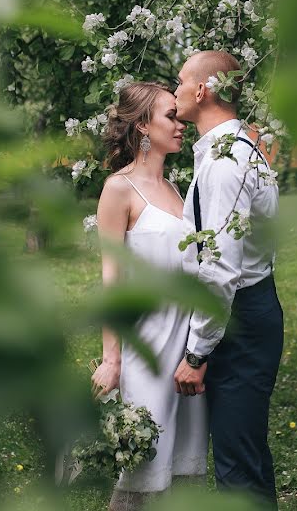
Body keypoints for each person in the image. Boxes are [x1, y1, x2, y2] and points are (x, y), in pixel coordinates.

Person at [89, 82, 208, 511]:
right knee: (143, 468)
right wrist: (112, 359)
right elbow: (111, 280)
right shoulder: (118, 190)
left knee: (183, 468)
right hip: (148, 349)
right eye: (171, 116)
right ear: (142, 125)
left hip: (186, 351)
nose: (181, 125)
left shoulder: (178, 189)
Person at [172, 51, 283, 508]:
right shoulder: (243, 148)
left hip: (239, 317)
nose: (174, 89)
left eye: (180, 81)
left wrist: (197, 353)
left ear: (202, 91)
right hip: (254, 307)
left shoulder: (223, 162)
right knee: (247, 452)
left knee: (237, 464)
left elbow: (219, 267)